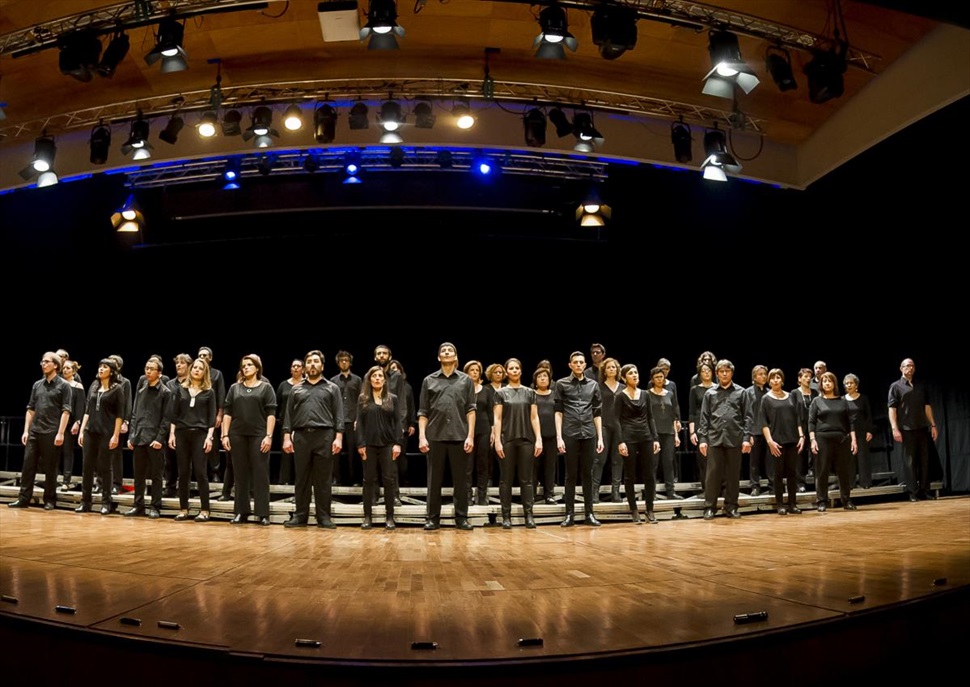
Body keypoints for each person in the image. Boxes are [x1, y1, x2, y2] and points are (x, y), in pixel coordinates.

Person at [281, 350, 344, 528]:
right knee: (301, 478)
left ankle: (323, 517)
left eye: (316, 361)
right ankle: (300, 516)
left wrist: (338, 437)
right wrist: (287, 436)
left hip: (324, 435)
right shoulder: (296, 389)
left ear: (322, 366)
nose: (312, 365)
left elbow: (339, 415)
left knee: (323, 479)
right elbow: (288, 415)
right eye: (309, 362)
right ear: (305, 366)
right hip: (301, 436)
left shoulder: (332, 388)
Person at [418, 342, 476, 531]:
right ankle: (432, 519)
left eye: (450, 350)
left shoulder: (466, 380)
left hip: (460, 435)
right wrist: (421, 437)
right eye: (443, 350)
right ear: (438, 357)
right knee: (434, 481)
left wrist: (470, 436)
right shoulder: (429, 380)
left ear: (456, 356)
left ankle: (462, 518)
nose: (446, 352)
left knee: (461, 481)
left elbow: (471, 410)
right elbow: (423, 411)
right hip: (435, 435)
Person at [9, 353, 73, 510]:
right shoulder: (37, 385)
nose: (43, 364)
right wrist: (25, 430)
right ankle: (23, 498)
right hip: (35, 431)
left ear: (56, 365)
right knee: (28, 465)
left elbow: (66, 411)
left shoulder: (64, 386)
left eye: (46, 362)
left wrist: (60, 432)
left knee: (51, 467)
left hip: (51, 431)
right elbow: (30, 409)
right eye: (42, 361)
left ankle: (50, 499)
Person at [222, 354, 276, 526]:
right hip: (237, 435)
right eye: (243, 365)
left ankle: (262, 513)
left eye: (249, 365)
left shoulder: (266, 388)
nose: (245, 368)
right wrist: (224, 434)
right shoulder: (234, 388)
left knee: (260, 473)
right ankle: (241, 511)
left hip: (258, 435)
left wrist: (268, 436)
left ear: (257, 368)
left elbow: (271, 414)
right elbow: (227, 412)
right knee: (240, 474)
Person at [697, 359, 752, 520]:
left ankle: (731, 507)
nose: (724, 374)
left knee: (733, 475)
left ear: (732, 373)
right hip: (714, 438)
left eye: (727, 371)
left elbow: (748, 417)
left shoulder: (742, 392)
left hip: (734, 438)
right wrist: (703, 439)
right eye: (721, 371)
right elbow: (704, 418)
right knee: (712, 475)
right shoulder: (710, 393)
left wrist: (747, 438)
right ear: (717, 374)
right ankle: (709, 507)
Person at [555, 351, 604, 527]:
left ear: (584, 365)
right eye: (575, 362)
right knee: (570, 475)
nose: (578, 365)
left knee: (587, 474)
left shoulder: (593, 385)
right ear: (570, 365)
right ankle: (570, 514)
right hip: (570, 433)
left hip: (589, 433)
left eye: (581, 362)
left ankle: (589, 514)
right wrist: (559, 437)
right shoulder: (561, 384)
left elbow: (597, 412)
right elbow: (558, 412)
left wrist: (600, 438)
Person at [492, 358, 542, 529]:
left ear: (521, 371)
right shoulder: (500, 393)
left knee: (526, 479)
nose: (514, 371)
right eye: (511, 368)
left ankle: (529, 515)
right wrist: (497, 440)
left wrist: (539, 439)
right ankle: (506, 516)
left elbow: (534, 417)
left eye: (516, 368)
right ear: (506, 372)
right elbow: (497, 419)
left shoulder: (530, 392)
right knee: (505, 479)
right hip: (507, 439)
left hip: (527, 439)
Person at [169, 357, 217, 522]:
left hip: (200, 434)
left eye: (200, 368)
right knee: (182, 472)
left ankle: (205, 510)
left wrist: (209, 438)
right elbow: (174, 415)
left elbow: (211, 418)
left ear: (205, 372)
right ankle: (184, 509)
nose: (196, 370)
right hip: (182, 433)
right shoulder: (180, 389)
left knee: (200, 472)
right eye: (195, 367)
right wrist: (172, 434)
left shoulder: (209, 392)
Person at [356, 366, 404, 530]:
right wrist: (360, 443)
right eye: (374, 376)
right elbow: (359, 423)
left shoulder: (393, 398)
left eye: (380, 376)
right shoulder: (363, 398)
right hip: (368, 445)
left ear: (384, 379)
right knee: (368, 480)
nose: (377, 378)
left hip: (388, 445)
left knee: (389, 480)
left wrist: (398, 443)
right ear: (369, 379)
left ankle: (390, 517)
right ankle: (367, 516)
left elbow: (398, 422)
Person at [125, 357, 173, 519]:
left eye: (152, 369)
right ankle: (138, 505)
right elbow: (134, 415)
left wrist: (159, 439)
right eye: (147, 368)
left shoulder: (165, 392)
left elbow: (167, 419)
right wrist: (132, 436)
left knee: (156, 476)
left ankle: (155, 506)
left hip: (154, 440)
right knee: (138, 475)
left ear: (159, 373)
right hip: (139, 438)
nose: (148, 371)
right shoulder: (141, 389)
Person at [76, 359, 125, 515]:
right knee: (87, 467)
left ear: (111, 371)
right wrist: (82, 430)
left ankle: (106, 502)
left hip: (106, 432)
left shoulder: (117, 389)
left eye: (105, 367)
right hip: (91, 431)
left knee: (105, 467)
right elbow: (87, 410)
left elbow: (119, 415)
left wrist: (115, 435)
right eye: (100, 366)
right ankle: (85, 502)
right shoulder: (94, 386)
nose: (101, 369)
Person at [888, 358, 939, 502]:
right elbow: (892, 409)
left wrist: (933, 425)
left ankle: (924, 490)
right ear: (901, 368)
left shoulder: (920, 386)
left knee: (924, 460)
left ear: (914, 369)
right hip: (906, 428)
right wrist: (894, 428)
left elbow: (927, 407)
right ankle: (912, 492)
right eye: (906, 366)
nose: (909, 368)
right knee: (910, 462)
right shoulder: (896, 387)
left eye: (912, 366)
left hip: (922, 427)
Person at [615, 364, 659, 524]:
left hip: (646, 436)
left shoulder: (645, 394)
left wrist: (655, 438)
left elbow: (651, 418)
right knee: (630, 475)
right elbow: (616, 420)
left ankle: (650, 510)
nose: (634, 375)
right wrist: (621, 441)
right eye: (631, 373)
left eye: (636, 372)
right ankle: (634, 510)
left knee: (649, 474)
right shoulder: (620, 396)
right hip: (629, 437)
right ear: (624, 377)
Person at [808, 371, 858, 512]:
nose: (827, 383)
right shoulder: (816, 401)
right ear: (821, 384)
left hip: (841, 439)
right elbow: (811, 422)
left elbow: (850, 423)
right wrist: (813, 440)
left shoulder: (843, 401)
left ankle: (846, 500)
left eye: (830, 381)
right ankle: (821, 501)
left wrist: (853, 440)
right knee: (822, 471)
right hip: (822, 438)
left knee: (843, 471)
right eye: (825, 381)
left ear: (834, 383)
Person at [758, 369, 804, 515]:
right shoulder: (766, 399)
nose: (775, 380)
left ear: (782, 380)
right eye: (772, 378)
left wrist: (801, 436)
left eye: (778, 378)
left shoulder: (791, 397)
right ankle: (780, 504)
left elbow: (798, 418)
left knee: (792, 473)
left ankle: (792, 504)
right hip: (776, 441)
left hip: (792, 439)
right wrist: (770, 441)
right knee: (777, 474)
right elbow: (763, 422)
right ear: (769, 381)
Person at [647, 366, 682, 501]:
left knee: (668, 462)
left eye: (661, 377)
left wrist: (676, 435)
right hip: (653, 433)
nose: (659, 379)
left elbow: (673, 415)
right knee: (653, 463)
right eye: (656, 377)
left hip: (668, 432)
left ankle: (670, 491)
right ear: (652, 379)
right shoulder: (647, 394)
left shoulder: (670, 394)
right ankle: (652, 492)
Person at [592, 357, 622, 503]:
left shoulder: (623, 387)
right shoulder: (599, 387)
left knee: (618, 459)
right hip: (603, 425)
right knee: (600, 459)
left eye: (613, 367)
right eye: (608, 367)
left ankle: (616, 492)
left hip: (620, 427)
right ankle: (594, 492)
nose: (611, 369)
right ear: (604, 370)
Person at [464, 360, 493, 506]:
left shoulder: (486, 391)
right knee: (467, 465)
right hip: (467, 431)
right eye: (472, 370)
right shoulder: (462, 390)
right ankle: (467, 496)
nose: (475, 372)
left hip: (484, 430)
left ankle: (482, 496)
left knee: (483, 464)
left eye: (477, 370)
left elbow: (491, 413)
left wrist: (493, 431)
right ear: (466, 373)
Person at [331, 350, 361, 488]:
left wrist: (358, 419)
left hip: (352, 420)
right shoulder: (333, 381)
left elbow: (361, 401)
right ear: (338, 363)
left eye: (346, 360)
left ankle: (354, 479)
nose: (344, 362)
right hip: (336, 420)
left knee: (353, 452)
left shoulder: (357, 380)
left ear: (350, 362)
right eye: (341, 360)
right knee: (334, 451)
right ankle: (336, 479)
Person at [163, 354, 192, 497]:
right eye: (177, 363)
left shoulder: (193, 383)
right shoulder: (169, 384)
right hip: (169, 425)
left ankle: (184, 488)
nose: (178, 365)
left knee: (185, 460)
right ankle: (170, 486)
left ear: (188, 365)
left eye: (182, 363)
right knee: (169, 460)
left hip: (185, 425)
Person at [388, 359, 415, 494]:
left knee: (402, 455)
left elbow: (409, 406)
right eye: (391, 369)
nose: (394, 371)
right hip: (388, 425)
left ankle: (404, 480)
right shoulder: (386, 385)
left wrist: (411, 423)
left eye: (396, 368)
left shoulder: (407, 387)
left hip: (402, 425)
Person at [275, 358, 304, 485]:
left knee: (301, 454)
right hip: (285, 423)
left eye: (298, 366)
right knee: (286, 453)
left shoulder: (306, 384)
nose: (296, 368)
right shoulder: (283, 385)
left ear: (303, 369)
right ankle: (284, 480)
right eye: (294, 366)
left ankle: (300, 480)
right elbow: (278, 403)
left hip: (302, 423)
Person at [532, 367, 559, 504]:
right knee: (534, 466)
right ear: (535, 381)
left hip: (552, 435)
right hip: (535, 436)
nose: (543, 378)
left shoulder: (555, 394)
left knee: (550, 466)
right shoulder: (531, 395)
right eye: (540, 376)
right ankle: (532, 494)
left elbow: (560, 415)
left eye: (545, 376)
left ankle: (549, 494)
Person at [744, 365, 771, 496]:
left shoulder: (769, 392)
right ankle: (755, 485)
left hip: (768, 432)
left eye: (765, 374)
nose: (763, 376)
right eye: (760, 374)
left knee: (770, 459)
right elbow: (746, 414)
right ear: (754, 377)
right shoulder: (748, 392)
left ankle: (772, 484)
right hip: (754, 431)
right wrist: (748, 434)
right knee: (754, 461)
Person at [843, 373, 874, 488]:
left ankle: (865, 482)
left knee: (863, 458)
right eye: (846, 383)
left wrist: (869, 431)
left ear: (856, 385)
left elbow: (869, 416)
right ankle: (850, 483)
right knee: (849, 459)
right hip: (847, 433)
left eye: (851, 383)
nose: (848, 385)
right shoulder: (842, 400)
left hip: (862, 432)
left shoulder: (863, 398)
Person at [688, 361, 714, 495]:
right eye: (704, 370)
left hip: (715, 425)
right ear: (699, 374)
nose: (707, 372)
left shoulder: (717, 388)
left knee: (717, 458)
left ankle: (720, 488)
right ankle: (706, 489)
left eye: (709, 370)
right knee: (703, 459)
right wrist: (692, 431)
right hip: (700, 425)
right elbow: (692, 412)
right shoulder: (695, 389)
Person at [59, 359, 85, 491]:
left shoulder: (77, 386)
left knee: (67, 452)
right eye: (64, 368)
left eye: (68, 368)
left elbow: (80, 406)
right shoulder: (59, 384)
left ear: (74, 371)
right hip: (56, 422)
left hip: (70, 423)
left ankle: (66, 481)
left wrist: (77, 422)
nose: (65, 370)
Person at [792, 368, 818, 492]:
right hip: (799, 427)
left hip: (814, 427)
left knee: (816, 453)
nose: (808, 379)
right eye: (805, 376)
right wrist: (800, 432)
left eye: (810, 377)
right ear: (799, 379)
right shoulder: (794, 393)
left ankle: (817, 480)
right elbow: (794, 413)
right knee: (800, 456)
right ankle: (800, 483)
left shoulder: (815, 393)